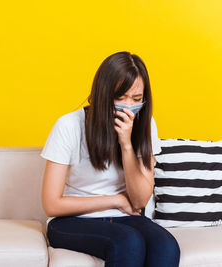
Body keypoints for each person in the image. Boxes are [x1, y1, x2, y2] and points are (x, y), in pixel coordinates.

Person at [40, 51, 180, 267]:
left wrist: (126, 144)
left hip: (126, 217)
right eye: (119, 97)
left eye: (136, 99)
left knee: (166, 246)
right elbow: (51, 204)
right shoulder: (69, 125)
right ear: (103, 94)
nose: (127, 106)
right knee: (128, 242)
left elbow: (140, 200)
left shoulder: (145, 125)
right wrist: (115, 200)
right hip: (69, 222)